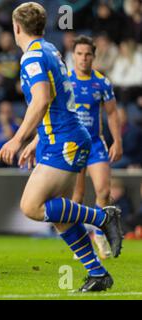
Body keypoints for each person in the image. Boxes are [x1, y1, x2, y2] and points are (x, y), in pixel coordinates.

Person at [0, 2, 123, 292]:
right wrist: (36, 139)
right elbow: (57, 101)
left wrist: (18, 139)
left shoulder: (32, 58)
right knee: (61, 216)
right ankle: (97, 273)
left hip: (63, 140)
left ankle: (103, 216)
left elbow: (41, 100)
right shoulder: (51, 49)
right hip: (61, 136)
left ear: (17, 28)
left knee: (32, 206)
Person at [69, 35, 123, 260]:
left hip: (95, 144)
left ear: (94, 56)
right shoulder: (65, 81)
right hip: (73, 145)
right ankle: (81, 242)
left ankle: (99, 235)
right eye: (79, 54)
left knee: (103, 191)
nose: (83, 58)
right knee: (77, 197)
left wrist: (117, 141)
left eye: (88, 54)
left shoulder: (102, 82)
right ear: (74, 56)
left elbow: (111, 113)